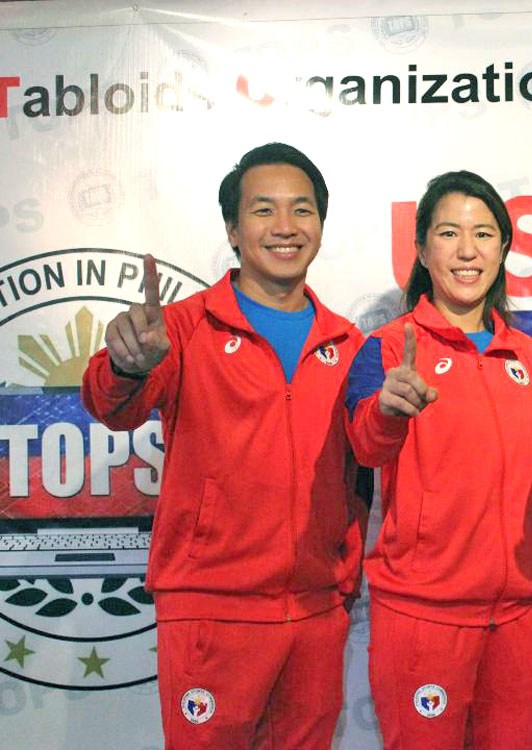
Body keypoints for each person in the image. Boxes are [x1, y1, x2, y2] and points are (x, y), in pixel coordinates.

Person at [81, 143, 366, 748]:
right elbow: (113, 404)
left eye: (302, 210)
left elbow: (365, 454)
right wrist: (127, 365)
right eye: (264, 211)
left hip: (315, 611)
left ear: (320, 225)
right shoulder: (182, 328)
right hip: (212, 611)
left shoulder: (346, 341)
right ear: (233, 231)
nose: (285, 227)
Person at [346, 170, 532, 748]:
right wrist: (389, 409)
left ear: (505, 248)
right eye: (449, 233)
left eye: (484, 234)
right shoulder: (386, 347)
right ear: (420, 248)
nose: (468, 251)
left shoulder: (527, 355)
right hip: (422, 616)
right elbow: (366, 443)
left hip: (516, 616)